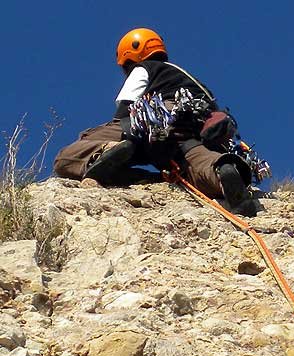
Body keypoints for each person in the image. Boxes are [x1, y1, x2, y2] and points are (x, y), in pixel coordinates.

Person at [54, 28, 257, 216]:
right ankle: (224, 172)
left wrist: (123, 133)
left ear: (130, 55)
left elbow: (126, 109)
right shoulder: (197, 86)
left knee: (67, 158)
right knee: (199, 164)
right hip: (190, 137)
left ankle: (107, 151)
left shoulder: (144, 68)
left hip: (152, 124)